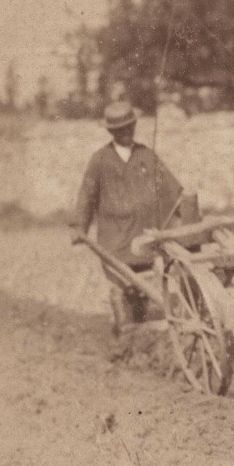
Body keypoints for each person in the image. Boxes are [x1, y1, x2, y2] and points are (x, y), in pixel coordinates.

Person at [70, 100, 184, 336]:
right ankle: (126, 331)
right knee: (123, 286)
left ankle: (143, 325)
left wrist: (185, 209)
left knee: (149, 280)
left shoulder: (146, 155)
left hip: (146, 236)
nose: (127, 133)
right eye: (121, 130)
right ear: (112, 132)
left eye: (130, 128)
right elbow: (87, 195)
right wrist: (79, 227)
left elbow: (172, 189)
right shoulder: (100, 160)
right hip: (116, 239)